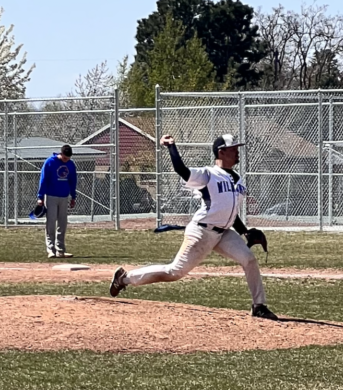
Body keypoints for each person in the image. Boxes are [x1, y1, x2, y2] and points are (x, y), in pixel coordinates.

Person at [109, 133, 278, 320]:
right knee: (174, 272)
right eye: (233, 149)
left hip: (224, 234)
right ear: (221, 152)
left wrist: (244, 231)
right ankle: (124, 278)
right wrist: (171, 147)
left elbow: (229, 210)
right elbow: (182, 170)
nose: (238, 152)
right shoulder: (208, 174)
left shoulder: (237, 178)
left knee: (249, 260)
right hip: (202, 232)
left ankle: (259, 306)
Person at [37, 144, 78, 258]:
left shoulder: (70, 164)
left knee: (62, 224)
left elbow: (72, 181)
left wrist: (73, 196)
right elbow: (43, 179)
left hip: (64, 197)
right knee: (51, 223)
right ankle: (51, 250)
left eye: (68, 158)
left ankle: (60, 250)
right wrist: (40, 197)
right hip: (51, 196)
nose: (66, 160)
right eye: (65, 158)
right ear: (61, 154)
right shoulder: (50, 162)